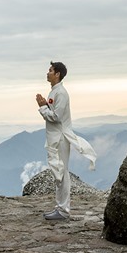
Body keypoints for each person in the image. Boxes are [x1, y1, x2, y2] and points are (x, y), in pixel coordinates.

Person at [35, 61, 97, 220]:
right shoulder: (55, 92)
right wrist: (45, 106)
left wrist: (42, 107)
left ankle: (63, 210)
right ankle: (60, 207)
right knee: (59, 171)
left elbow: (56, 117)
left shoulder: (60, 93)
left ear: (57, 74)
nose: (47, 73)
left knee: (62, 172)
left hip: (61, 138)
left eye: (50, 70)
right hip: (56, 137)